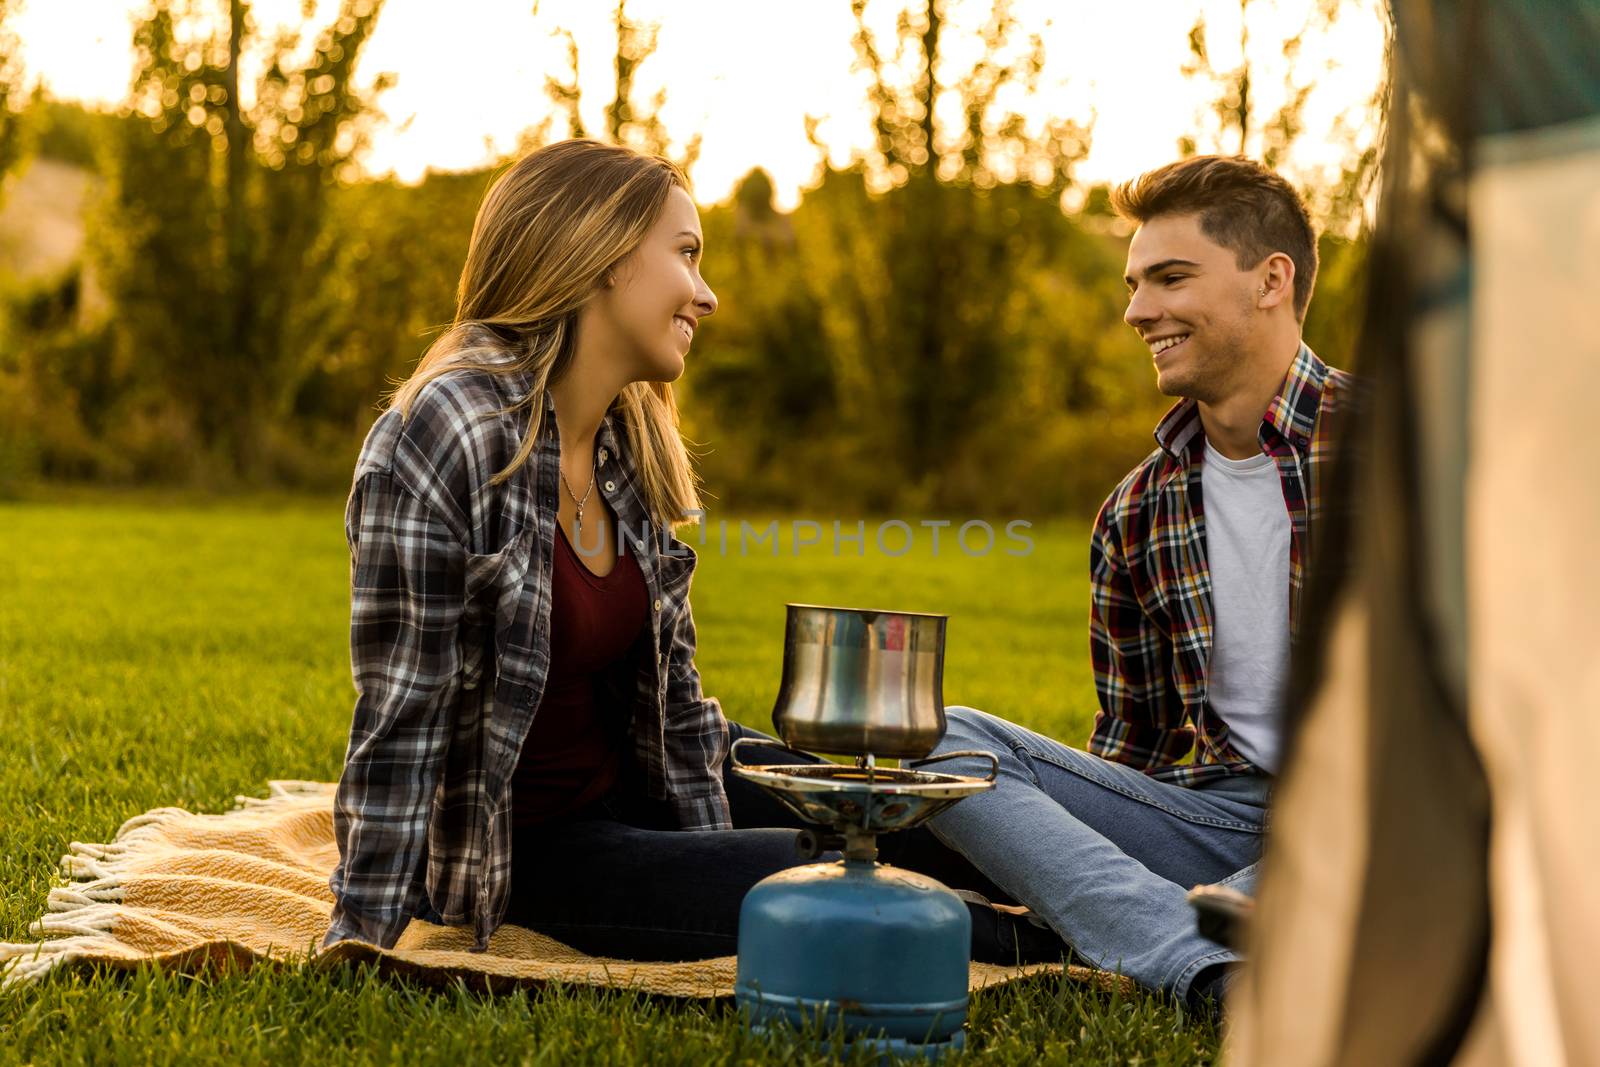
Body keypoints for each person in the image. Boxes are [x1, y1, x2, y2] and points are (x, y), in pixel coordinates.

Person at [318, 137, 1041, 964]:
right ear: (602, 254)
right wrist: (362, 936)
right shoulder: (447, 431)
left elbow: (677, 697)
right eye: (688, 254)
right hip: (533, 851)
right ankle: (1092, 956)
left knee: (904, 815)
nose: (708, 294)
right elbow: (402, 715)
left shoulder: (625, 432)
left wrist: (710, 841)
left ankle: (1152, 899)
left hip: (644, 777)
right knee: (846, 883)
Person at [915, 155, 1357, 1010]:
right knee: (941, 740)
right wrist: (1064, 851)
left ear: (1271, 281)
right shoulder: (1136, 512)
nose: (1137, 310)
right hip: (1228, 824)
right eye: (1133, 283)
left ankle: (1194, 930)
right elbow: (1133, 751)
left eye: (1170, 277)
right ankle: (1211, 959)